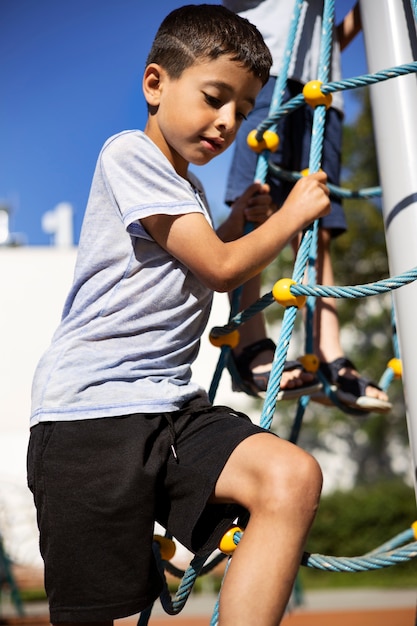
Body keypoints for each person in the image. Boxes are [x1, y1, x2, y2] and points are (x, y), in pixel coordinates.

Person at [27, 5, 330, 625]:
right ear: (155, 83)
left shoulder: (185, 191)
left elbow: (192, 261)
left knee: (289, 477)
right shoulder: (128, 154)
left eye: (242, 112)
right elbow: (218, 268)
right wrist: (289, 216)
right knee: (97, 616)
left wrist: (234, 220)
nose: (227, 123)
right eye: (215, 97)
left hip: (169, 409)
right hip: (91, 420)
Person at [222, 0, 392, 414]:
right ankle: (249, 341)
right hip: (268, 70)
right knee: (256, 204)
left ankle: (326, 351)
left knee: (319, 222)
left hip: (323, 87)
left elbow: (328, 33)